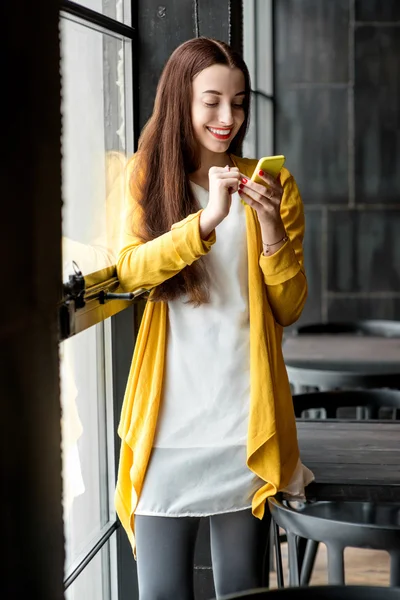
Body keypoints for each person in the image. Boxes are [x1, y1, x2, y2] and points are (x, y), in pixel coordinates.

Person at [115, 37, 313, 600]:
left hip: (242, 428)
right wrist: (206, 221)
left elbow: (289, 308)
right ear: (182, 101)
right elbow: (130, 272)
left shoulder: (274, 185)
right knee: (160, 593)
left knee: (242, 591)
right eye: (212, 101)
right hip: (166, 431)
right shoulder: (146, 178)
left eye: (240, 102)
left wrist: (271, 229)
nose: (229, 118)